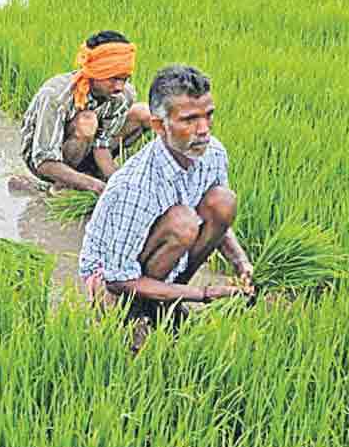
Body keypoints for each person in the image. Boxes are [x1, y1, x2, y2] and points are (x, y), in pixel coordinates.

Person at [77, 64, 254, 341]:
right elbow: (117, 277)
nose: (204, 130)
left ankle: (164, 299)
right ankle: (137, 309)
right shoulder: (135, 184)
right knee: (183, 222)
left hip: (163, 253)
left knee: (223, 201)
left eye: (209, 115)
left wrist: (240, 262)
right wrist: (203, 294)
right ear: (159, 126)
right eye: (189, 120)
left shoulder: (214, 154)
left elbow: (218, 223)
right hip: (111, 278)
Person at [19, 31, 152, 193]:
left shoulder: (123, 95)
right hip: (47, 162)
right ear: (94, 73)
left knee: (143, 113)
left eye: (124, 79)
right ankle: (61, 184)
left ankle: (88, 174)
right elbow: (44, 162)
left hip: (88, 152)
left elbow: (101, 145)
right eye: (113, 79)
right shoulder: (55, 96)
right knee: (87, 121)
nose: (119, 87)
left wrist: (116, 182)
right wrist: (95, 186)